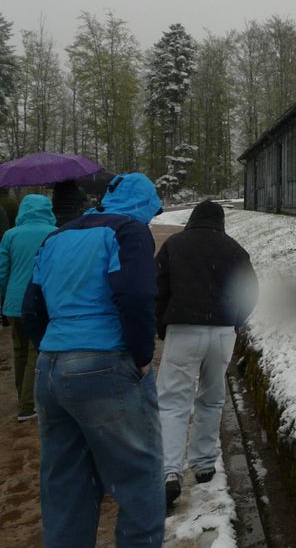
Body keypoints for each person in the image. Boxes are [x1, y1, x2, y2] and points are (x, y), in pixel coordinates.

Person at [22, 173, 165, 548]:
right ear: (145, 205)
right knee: (139, 478)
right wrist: (141, 355)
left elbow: (31, 308)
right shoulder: (129, 230)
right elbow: (135, 297)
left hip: (51, 368)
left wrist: (54, 351)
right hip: (107, 364)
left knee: (66, 483)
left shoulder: (57, 236)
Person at [156, 199, 257, 508]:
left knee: (173, 401)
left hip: (184, 328)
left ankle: (169, 471)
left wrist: (163, 325)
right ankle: (203, 464)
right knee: (212, 398)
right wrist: (234, 321)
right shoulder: (235, 250)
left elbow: (157, 289)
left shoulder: (175, 245)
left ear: (193, 219)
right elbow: (250, 292)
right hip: (222, 332)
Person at [0, 194, 56, 421]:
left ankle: (22, 396)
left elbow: (2, 271)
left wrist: (5, 296)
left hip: (13, 303)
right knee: (36, 350)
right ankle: (28, 403)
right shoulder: (54, 233)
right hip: (41, 301)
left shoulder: (10, 235)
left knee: (19, 349)